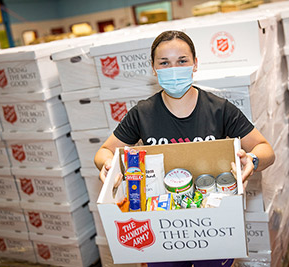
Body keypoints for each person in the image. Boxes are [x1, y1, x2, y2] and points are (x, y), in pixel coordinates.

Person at [94, 30, 275, 267]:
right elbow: (104, 152)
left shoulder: (219, 109)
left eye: (181, 61)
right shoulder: (143, 114)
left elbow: (266, 150)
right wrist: (108, 165)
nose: (174, 69)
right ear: (154, 69)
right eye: (164, 63)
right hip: (161, 226)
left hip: (212, 223)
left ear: (195, 63)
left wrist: (252, 159)